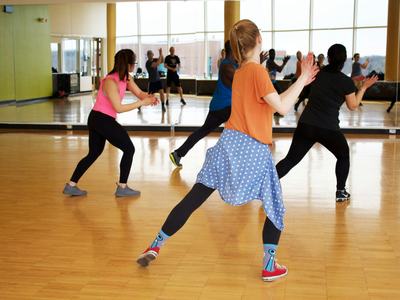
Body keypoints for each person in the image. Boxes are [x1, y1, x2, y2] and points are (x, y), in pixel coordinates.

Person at [136, 19, 318, 282]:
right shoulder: (256, 72)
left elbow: (273, 101)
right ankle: (269, 265)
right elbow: (282, 108)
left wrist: (300, 79)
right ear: (259, 40)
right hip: (252, 148)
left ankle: (155, 244)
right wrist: (302, 78)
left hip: (228, 143)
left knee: (194, 198)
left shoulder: (242, 71)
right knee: (275, 205)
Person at [276, 44, 378, 202]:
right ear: (344, 60)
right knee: (343, 155)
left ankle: (265, 186)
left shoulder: (317, 74)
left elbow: (303, 83)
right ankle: (340, 191)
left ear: (328, 58)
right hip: (328, 128)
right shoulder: (346, 82)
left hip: (306, 125)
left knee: (290, 160)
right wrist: (364, 87)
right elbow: (353, 106)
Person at [63, 49, 158, 197]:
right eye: (133, 62)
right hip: (101, 119)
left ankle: (71, 185)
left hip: (100, 119)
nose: (134, 65)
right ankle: (122, 187)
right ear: (127, 64)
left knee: (94, 153)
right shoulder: (110, 81)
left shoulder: (126, 78)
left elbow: (140, 93)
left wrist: (150, 98)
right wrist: (141, 103)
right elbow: (118, 108)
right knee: (129, 149)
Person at [266, 48, 290, 116]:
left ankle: (275, 111)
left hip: (273, 81)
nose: (273, 55)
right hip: (271, 82)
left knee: (279, 94)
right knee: (279, 94)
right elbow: (279, 69)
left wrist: (284, 62)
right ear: (270, 54)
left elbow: (278, 69)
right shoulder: (270, 61)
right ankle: (276, 111)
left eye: (274, 54)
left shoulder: (270, 61)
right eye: (272, 54)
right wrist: (285, 62)